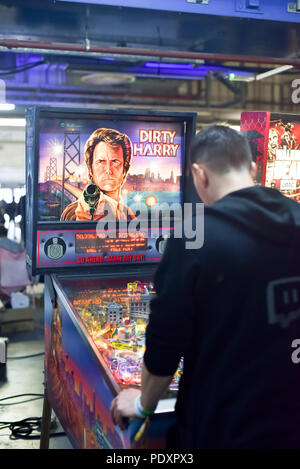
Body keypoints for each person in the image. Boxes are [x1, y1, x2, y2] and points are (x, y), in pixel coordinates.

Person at [110, 124, 300, 449]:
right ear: (252, 167)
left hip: (222, 427)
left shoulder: (194, 235)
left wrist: (143, 403)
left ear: (199, 174)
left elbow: (165, 340)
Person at [61, 128, 135, 221]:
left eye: (115, 161)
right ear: (90, 169)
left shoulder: (128, 213)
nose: (108, 169)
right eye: (100, 161)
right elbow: (73, 217)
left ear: (125, 169)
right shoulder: (74, 212)